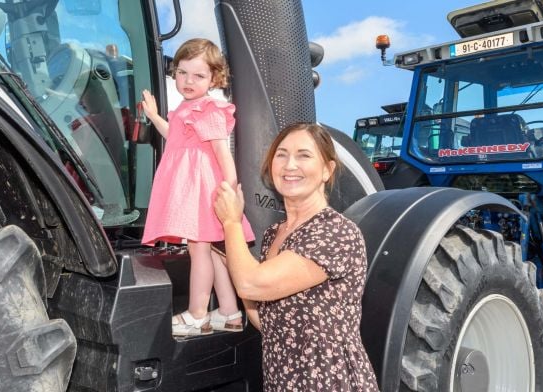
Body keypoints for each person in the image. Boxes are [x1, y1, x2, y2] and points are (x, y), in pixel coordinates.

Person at [214, 123, 380, 391]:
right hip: (283, 381)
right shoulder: (273, 235)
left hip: (328, 382)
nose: (290, 165)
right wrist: (232, 263)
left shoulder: (335, 232)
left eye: (304, 155)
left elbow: (251, 283)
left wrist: (231, 223)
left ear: (327, 170)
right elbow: (267, 323)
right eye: (281, 154)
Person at [141, 38, 255, 336]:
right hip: (194, 187)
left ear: (214, 79)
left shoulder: (208, 108)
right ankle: (229, 313)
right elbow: (177, 138)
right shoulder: (186, 109)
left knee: (199, 250)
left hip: (204, 188)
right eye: (182, 73)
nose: (188, 81)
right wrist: (154, 117)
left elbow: (222, 152)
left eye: (199, 75)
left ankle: (197, 313)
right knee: (214, 251)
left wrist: (229, 190)